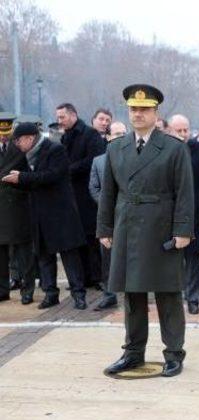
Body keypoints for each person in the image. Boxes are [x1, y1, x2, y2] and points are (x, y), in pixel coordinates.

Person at [98, 84, 194, 377]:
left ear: (155, 112)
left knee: (168, 294)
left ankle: (174, 353)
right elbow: (108, 194)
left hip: (161, 229)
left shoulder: (174, 148)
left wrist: (183, 230)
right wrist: (105, 227)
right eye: (133, 109)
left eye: (144, 109)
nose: (138, 114)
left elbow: (185, 193)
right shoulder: (116, 148)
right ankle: (133, 352)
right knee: (132, 295)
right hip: (128, 227)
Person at [3, 122, 87, 310]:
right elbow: (30, 182)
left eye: (18, 141)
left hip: (60, 213)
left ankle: (78, 294)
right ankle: (50, 294)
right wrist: (15, 181)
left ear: (29, 138)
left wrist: (22, 178)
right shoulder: (25, 155)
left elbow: (51, 176)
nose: (17, 145)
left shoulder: (55, 150)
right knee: (44, 256)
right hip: (38, 213)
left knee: (69, 256)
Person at [168, 114, 199, 314]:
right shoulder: (163, 152)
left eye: (186, 130)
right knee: (170, 259)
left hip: (195, 215)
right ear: (170, 131)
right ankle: (172, 298)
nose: (183, 134)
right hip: (168, 215)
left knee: (192, 259)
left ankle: (193, 298)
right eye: (178, 130)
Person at [57, 103, 106, 290]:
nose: (59, 121)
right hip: (71, 196)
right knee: (78, 239)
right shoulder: (65, 137)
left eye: (62, 117)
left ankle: (97, 277)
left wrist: (69, 170)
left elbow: (94, 159)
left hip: (87, 195)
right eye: (58, 117)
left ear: (73, 115)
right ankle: (83, 278)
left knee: (92, 239)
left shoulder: (90, 135)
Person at [89, 121, 127, 311]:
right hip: (107, 218)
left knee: (132, 258)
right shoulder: (98, 161)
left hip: (130, 216)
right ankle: (109, 295)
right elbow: (93, 187)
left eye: (123, 133)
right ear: (108, 137)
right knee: (108, 259)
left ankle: (134, 297)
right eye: (117, 133)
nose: (120, 137)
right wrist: (106, 205)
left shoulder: (137, 158)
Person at [0, 113, 36, 305]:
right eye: (1, 134)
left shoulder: (21, 147)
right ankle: (2, 290)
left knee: (24, 253)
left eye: (6, 133)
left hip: (18, 205)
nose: (3, 137)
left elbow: (31, 173)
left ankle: (27, 289)